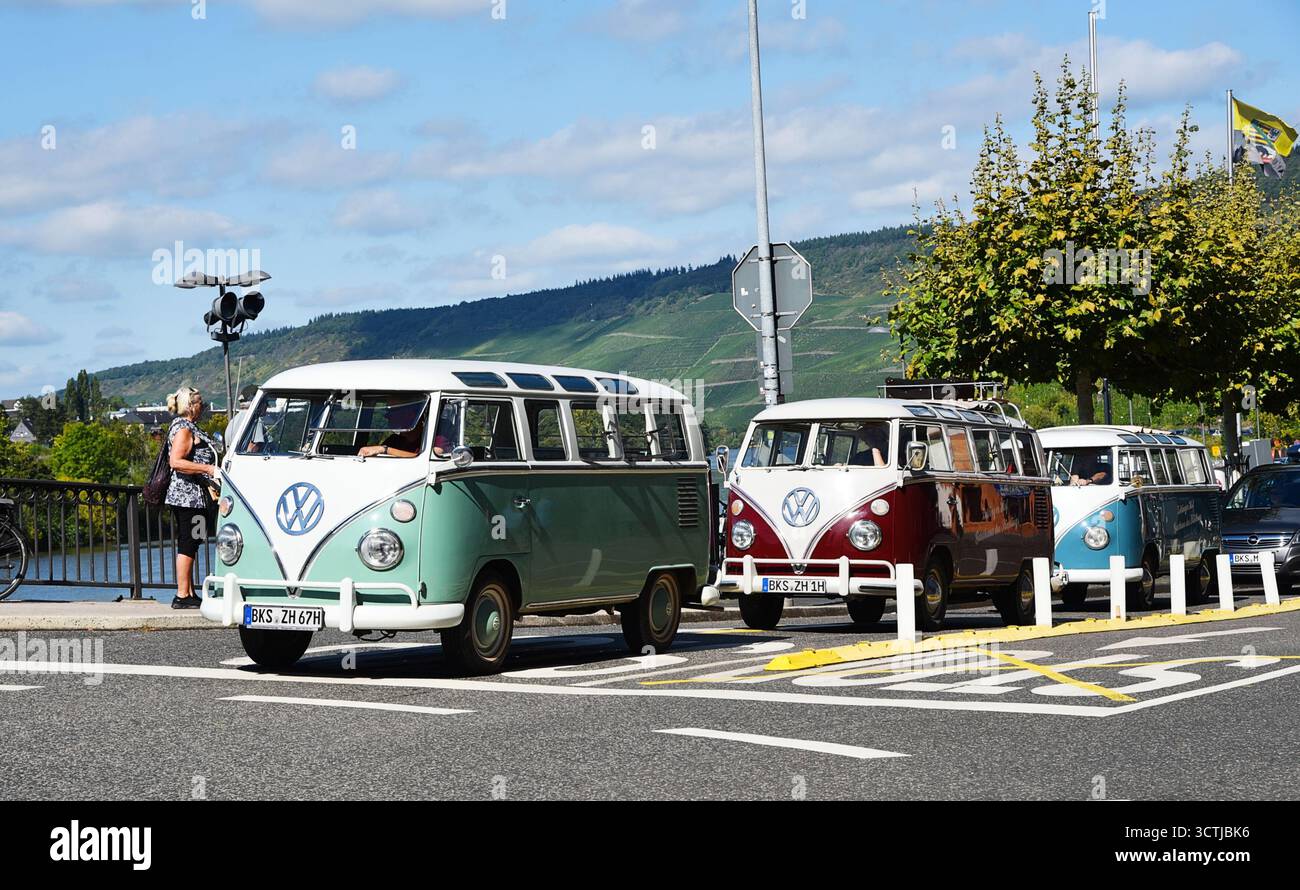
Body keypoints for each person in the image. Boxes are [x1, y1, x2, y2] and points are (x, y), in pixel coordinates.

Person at [164, 385, 218, 609]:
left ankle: (188, 591)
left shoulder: (188, 426)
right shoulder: (184, 429)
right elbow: (176, 461)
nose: (203, 407)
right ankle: (182, 594)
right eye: (200, 403)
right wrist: (207, 469)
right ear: (190, 406)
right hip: (187, 498)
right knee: (188, 542)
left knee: (193, 542)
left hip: (194, 497)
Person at [357, 401, 431, 458]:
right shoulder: (393, 440)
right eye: (388, 410)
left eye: (394, 410)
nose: (387, 416)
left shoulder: (429, 440)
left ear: (410, 413)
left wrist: (384, 450)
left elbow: (421, 458)